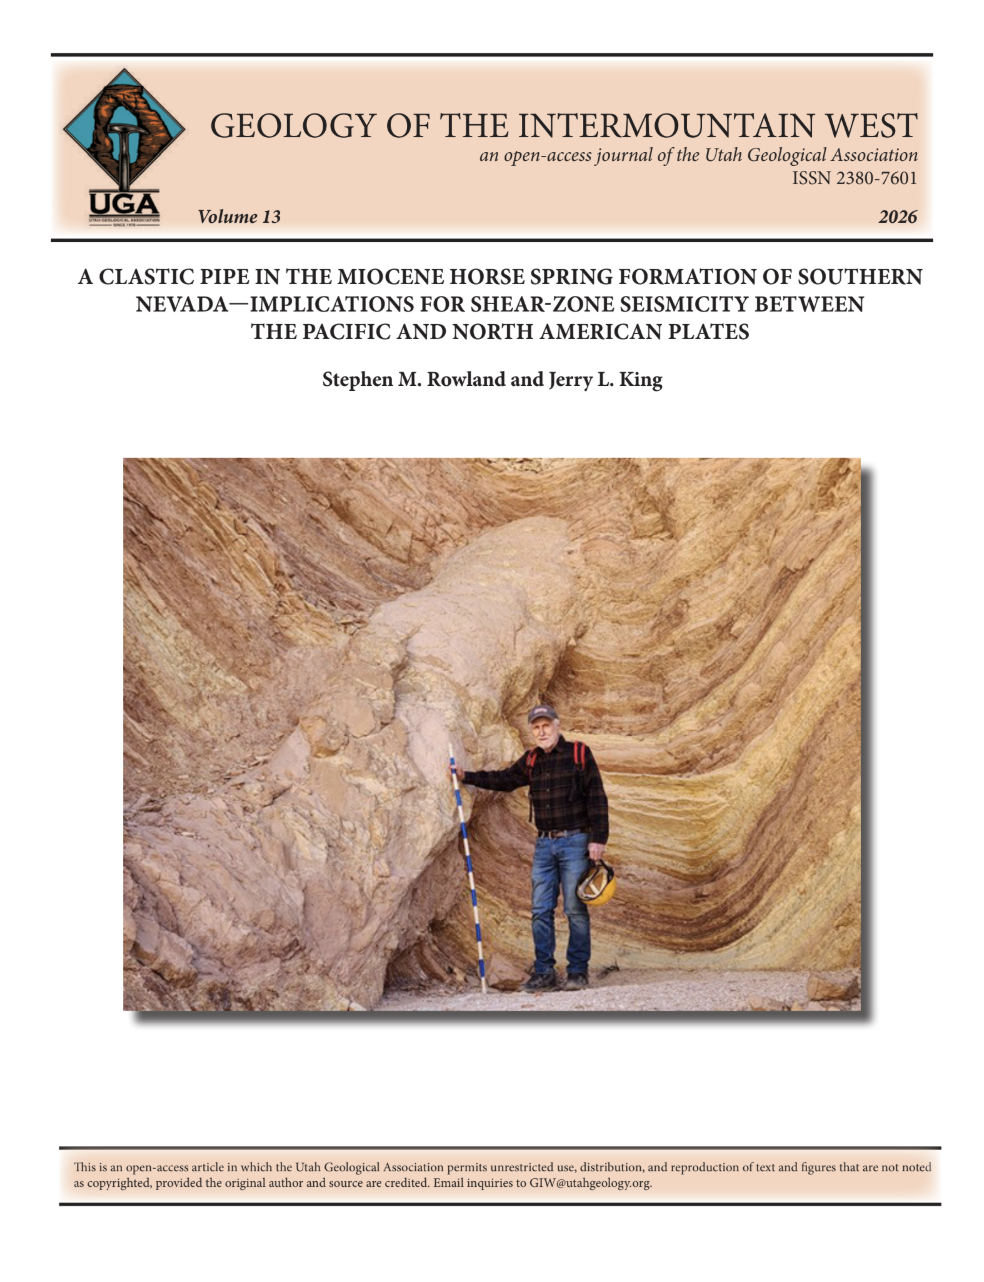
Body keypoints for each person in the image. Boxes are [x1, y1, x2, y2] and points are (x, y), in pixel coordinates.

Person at [450, 704, 609, 991]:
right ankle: (544, 972)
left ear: (557, 725)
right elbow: (505, 779)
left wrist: (598, 839)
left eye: (546, 725)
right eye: (536, 727)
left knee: (574, 909)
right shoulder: (532, 760)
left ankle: (577, 972)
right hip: (544, 844)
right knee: (540, 909)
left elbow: (597, 796)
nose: (542, 731)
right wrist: (467, 776)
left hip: (576, 842)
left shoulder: (578, 753)